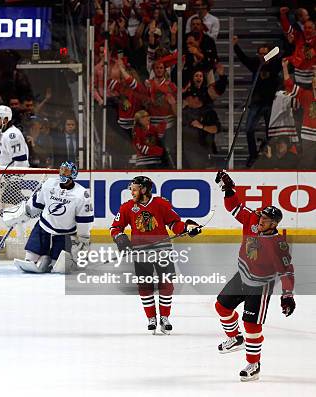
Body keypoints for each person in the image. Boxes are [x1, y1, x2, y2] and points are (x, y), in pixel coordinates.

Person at [214, 171, 295, 381]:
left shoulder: (279, 245)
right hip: (241, 276)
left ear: (274, 224)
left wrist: (287, 295)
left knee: (252, 325)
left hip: (260, 285)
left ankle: (253, 364)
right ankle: (235, 338)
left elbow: (287, 271)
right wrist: (229, 190)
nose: (260, 221)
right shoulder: (252, 219)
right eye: (261, 217)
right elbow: (234, 207)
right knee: (221, 307)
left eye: (266, 220)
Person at [109, 176, 201, 334]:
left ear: (144, 190)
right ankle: (151, 318)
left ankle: (164, 317)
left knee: (167, 285)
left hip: (162, 250)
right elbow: (115, 227)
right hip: (141, 253)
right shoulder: (127, 207)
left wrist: (187, 227)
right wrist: (121, 238)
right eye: (131, 188)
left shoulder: (161, 204)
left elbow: (174, 223)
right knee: (145, 286)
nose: (132, 191)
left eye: (135, 188)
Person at [3, 162, 93, 274]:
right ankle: (41, 257)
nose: (63, 173)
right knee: (31, 258)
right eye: (62, 170)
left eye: (66, 171)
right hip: (44, 227)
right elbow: (37, 204)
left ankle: (52, 259)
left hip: (65, 234)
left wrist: (83, 241)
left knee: (59, 267)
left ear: (73, 174)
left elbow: (84, 221)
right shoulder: (49, 184)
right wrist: (23, 213)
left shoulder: (81, 194)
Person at [0, 105, 29, 253]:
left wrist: (14, 180)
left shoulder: (12, 135)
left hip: (10, 177)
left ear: (6, 119)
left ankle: (21, 240)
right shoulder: (1, 133)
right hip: (0, 177)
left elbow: (21, 160)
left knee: (14, 209)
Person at [233, 37, 282, 167]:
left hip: (271, 103)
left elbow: (281, 57)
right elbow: (244, 59)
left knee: (270, 132)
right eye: (260, 53)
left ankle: (271, 157)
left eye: (265, 53)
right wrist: (235, 46)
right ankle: (253, 155)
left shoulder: (275, 65)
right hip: (256, 102)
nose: (262, 56)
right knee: (249, 129)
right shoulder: (256, 63)